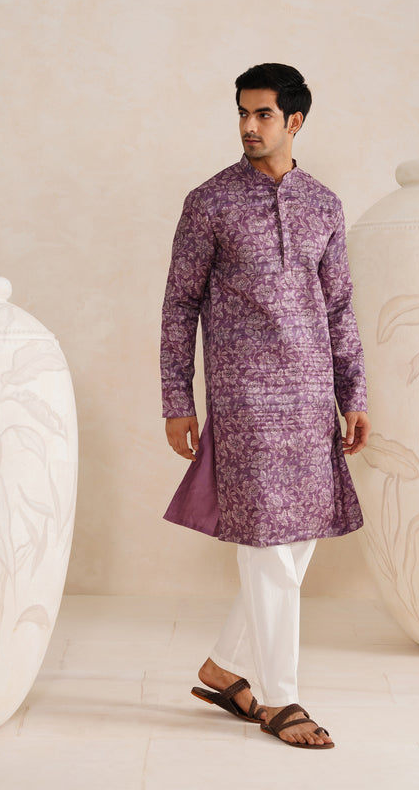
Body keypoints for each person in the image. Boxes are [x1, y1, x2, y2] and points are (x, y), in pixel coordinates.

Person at [161, 63, 370, 749]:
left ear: (294, 121)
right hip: (244, 396)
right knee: (268, 547)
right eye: (242, 114)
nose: (248, 126)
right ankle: (281, 700)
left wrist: (352, 394)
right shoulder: (210, 202)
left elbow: (339, 307)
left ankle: (225, 668)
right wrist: (176, 398)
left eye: (263, 115)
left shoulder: (324, 205)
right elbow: (180, 304)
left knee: (296, 540)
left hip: (310, 396)